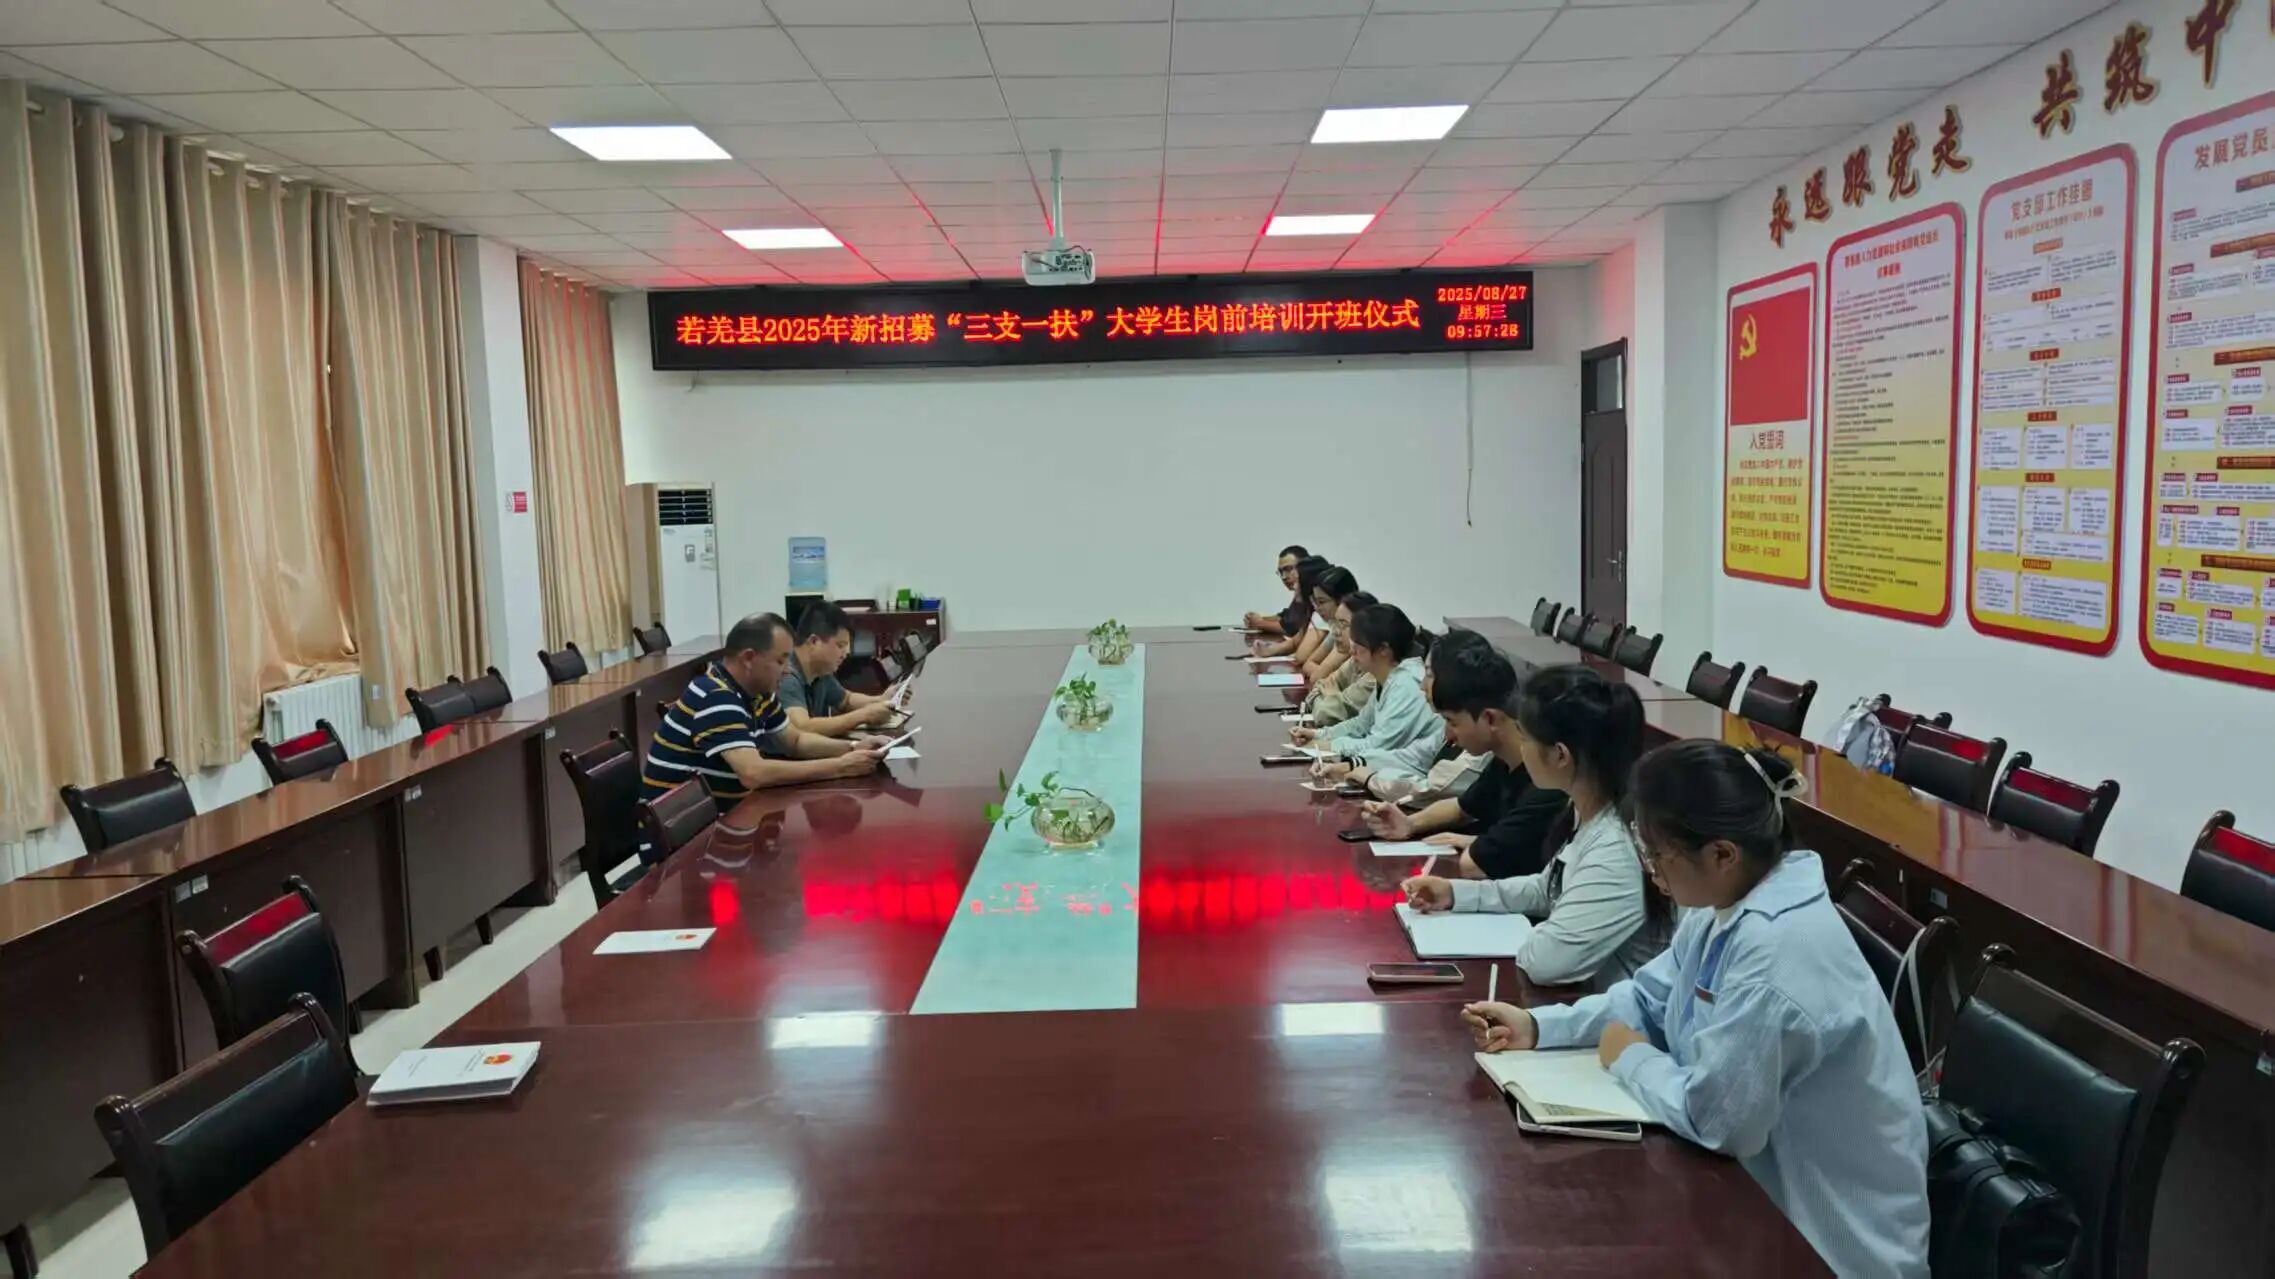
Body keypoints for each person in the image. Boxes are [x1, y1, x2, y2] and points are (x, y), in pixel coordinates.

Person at [1459, 741, 1930, 1279]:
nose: (1650, 871)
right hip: (1755, 1200)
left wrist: (1629, 1056)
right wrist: (1539, 1026)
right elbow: (1648, 996)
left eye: (1657, 855)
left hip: (1827, 1248)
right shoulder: (1725, 903)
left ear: (1722, 854)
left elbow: (1718, 1122)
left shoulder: (1778, 953)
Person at [1401, 663, 1667, 989]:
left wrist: (1539, 932)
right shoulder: (1585, 810)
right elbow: (1547, 888)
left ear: (1560, 755)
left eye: (1525, 737)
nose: (1520, 748)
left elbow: (1547, 963)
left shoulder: (1615, 849)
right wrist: (1457, 894)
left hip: (1604, 1009)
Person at [1361, 636, 1566, 879]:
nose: (1448, 735)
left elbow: (1479, 863)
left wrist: (1477, 844)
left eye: (1452, 722)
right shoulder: (1502, 761)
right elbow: (1462, 807)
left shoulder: (1546, 785)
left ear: (1489, 718)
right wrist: (1409, 824)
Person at [642, 613, 882, 808]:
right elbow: (754, 773)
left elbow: (795, 741)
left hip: (725, 819)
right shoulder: (716, 695)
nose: (787, 670)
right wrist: (840, 767)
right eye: (780, 661)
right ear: (748, 658)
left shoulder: (758, 694)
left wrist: (853, 748)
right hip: (688, 842)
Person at [1294, 603, 1442, 795]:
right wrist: (1319, 735)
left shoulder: (1406, 685)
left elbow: (1378, 744)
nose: (1352, 652)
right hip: (1388, 768)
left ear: (1383, 650)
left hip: (1414, 779)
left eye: (1358, 646)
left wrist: (1327, 746)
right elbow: (1360, 724)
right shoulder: (1389, 678)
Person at [777, 602, 898, 740]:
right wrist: (864, 715)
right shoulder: (786, 675)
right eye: (841, 646)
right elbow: (803, 727)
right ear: (814, 641)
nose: (846, 653)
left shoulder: (821, 671)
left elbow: (846, 700)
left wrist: (882, 699)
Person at [1301, 590, 1378, 728]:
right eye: (1334, 624)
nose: (1335, 632)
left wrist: (1331, 696)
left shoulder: (1375, 675)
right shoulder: (1354, 661)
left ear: (1365, 628)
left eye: (1343, 624)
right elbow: (1318, 687)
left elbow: (1324, 716)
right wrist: (1336, 699)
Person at [1253, 556, 1330, 661]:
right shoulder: (1311, 610)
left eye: (1297, 582)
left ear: (1309, 586)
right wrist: (1268, 649)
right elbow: (1294, 642)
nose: (1294, 587)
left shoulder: (1323, 614)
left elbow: (1301, 657)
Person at [1298, 567, 1361, 683]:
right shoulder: (1336, 628)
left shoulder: (1353, 632)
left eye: (1322, 602)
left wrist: (1327, 677)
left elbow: (1317, 676)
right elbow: (1308, 664)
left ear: (1342, 600)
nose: (1317, 609)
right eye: (1315, 602)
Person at [1242, 545, 1309, 636]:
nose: (1284, 577)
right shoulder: (1301, 591)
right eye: (1281, 572)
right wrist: (1257, 619)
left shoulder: (1315, 590)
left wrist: (1259, 623)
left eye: (1288, 569)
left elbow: (1291, 628)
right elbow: (1286, 617)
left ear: (1305, 566)